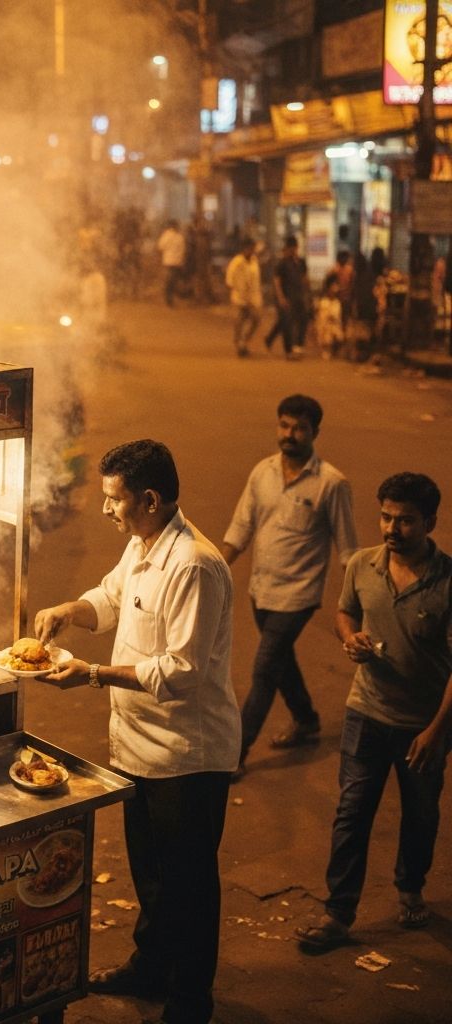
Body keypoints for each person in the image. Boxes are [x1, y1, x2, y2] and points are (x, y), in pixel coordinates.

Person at [35, 440, 240, 1024]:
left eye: (113, 499)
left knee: (190, 885)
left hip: (186, 756)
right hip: (136, 748)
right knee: (151, 874)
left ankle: (190, 1000)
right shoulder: (141, 543)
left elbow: (181, 672)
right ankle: (151, 967)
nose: (106, 510)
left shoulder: (194, 565)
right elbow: (112, 596)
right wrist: (69, 609)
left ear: (149, 499)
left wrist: (92, 673)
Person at [295, 473, 452, 949]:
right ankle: (338, 914)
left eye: (405, 520)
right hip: (365, 712)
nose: (391, 527)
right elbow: (344, 612)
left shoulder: (447, 581)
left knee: (421, 814)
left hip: (422, 725)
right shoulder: (362, 565)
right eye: (386, 516)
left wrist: (435, 732)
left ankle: (410, 887)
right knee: (351, 813)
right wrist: (350, 639)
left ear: (429, 522)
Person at [222, 395, 358, 780]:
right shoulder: (262, 472)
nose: (290, 435)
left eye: (299, 428)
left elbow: (349, 550)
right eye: (284, 426)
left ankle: (236, 752)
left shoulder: (332, 483)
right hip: (260, 590)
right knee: (280, 661)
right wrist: (211, 567)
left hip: (298, 596)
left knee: (265, 667)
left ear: (315, 432)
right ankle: (306, 720)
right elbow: (241, 528)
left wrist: (355, 604)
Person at [271, 235, 311, 359]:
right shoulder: (282, 264)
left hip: (299, 296)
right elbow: (277, 281)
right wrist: (281, 297)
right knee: (287, 324)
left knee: (303, 320)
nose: (293, 251)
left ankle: (299, 345)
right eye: (291, 248)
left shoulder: (300, 262)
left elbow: (305, 279)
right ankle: (288, 351)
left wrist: (307, 294)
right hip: (287, 297)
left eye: (295, 248)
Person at [225, 236, 262, 357]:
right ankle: (240, 345)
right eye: (250, 248)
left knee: (256, 319)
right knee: (239, 321)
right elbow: (229, 280)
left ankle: (244, 341)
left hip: (252, 298)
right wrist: (236, 290)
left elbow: (256, 280)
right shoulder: (237, 261)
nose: (251, 251)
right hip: (239, 298)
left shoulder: (254, 261)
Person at [156, 219, 186, 308]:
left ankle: (169, 298)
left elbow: (160, 246)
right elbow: (183, 250)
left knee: (169, 280)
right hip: (177, 262)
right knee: (173, 280)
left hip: (168, 261)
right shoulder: (180, 237)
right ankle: (170, 298)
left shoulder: (166, 235)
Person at [315, 272, 344, 360]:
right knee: (327, 335)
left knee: (340, 337)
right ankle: (326, 349)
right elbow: (321, 320)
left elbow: (338, 318)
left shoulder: (337, 302)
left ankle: (333, 349)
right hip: (325, 328)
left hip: (335, 326)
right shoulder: (323, 302)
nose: (336, 288)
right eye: (333, 285)